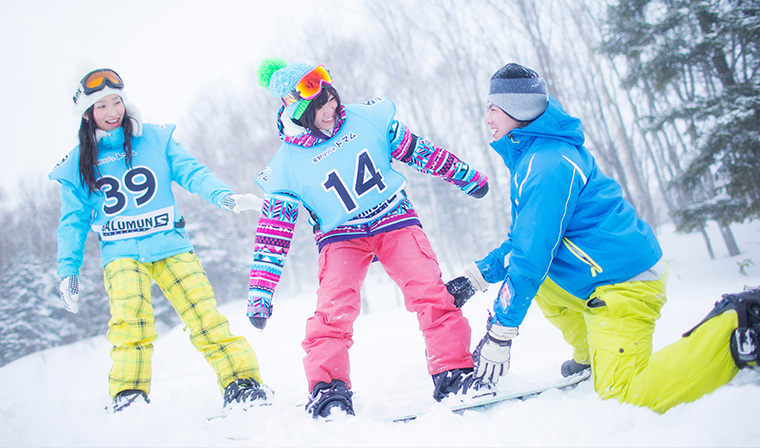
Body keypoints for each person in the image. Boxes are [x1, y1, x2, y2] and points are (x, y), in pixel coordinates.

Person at [452, 62, 760, 413]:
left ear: (517, 109)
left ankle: (738, 328)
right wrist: (476, 277)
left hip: (624, 283)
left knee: (625, 396)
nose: (487, 119)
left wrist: (501, 332)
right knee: (543, 283)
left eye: (493, 109)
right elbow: (527, 240)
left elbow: (531, 258)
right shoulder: (535, 157)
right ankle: (591, 355)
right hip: (603, 273)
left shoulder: (547, 165)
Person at [248, 58, 490, 418]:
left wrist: (465, 175)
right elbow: (274, 234)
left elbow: (420, 152)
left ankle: (452, 369)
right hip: (340, 237)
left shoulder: (368, 120)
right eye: (319, 106)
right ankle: (328, 389)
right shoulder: (287, 166)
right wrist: (260, 292)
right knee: (334, 309)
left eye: (331, 98)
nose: (331, 109)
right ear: (296, 111)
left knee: (429, 290)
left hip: (394, 217)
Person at [49, 63, 272, 413]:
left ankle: (241, 383)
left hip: (170, 244)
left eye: (116, 101)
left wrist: (223, 196)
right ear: (87, 114)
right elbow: (72, 221)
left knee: (204, 315)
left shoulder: (154, 138)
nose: (111, 112)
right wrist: (69, 270)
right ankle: (129, 396)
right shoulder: (80, 162)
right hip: (121, 253)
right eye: (101, 106)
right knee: (131, 322)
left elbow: (192, 173)